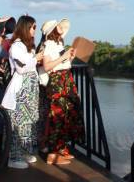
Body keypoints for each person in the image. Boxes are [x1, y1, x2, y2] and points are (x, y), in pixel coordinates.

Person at [41, 18, 84, 165]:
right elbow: (47, 67)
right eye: (57, 26)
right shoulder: (49, 44)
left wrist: (69, 58)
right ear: (53, 29)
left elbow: (63, 65)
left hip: (66, 79)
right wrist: (63, 57)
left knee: (67, 114)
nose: (60, 27)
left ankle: (60, 149)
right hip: (57, 81)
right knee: (57, 115)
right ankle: (52, 155)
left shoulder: (59, 43)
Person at [1, 15, 42, 169]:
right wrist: (35, 59)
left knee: (28, 123)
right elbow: (21, 68)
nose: (34, 31)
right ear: (25, 28)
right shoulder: (16, 46)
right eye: (33, 27)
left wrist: (35, 58)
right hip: (20, 92)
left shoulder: (26, 46)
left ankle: (24, 152)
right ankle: (14, 157)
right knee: (18, 123)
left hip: (29, 92)